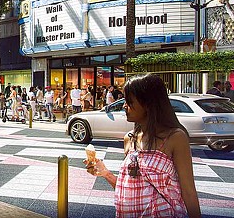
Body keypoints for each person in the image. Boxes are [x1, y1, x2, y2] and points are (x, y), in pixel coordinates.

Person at [83, 73, 200, 218]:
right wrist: (105, 173)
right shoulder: (129, 139)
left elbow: (189, 192)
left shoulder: (175, 138)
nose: (125, 106)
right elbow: (127, 189)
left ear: (149, 103)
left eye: (130, 101)